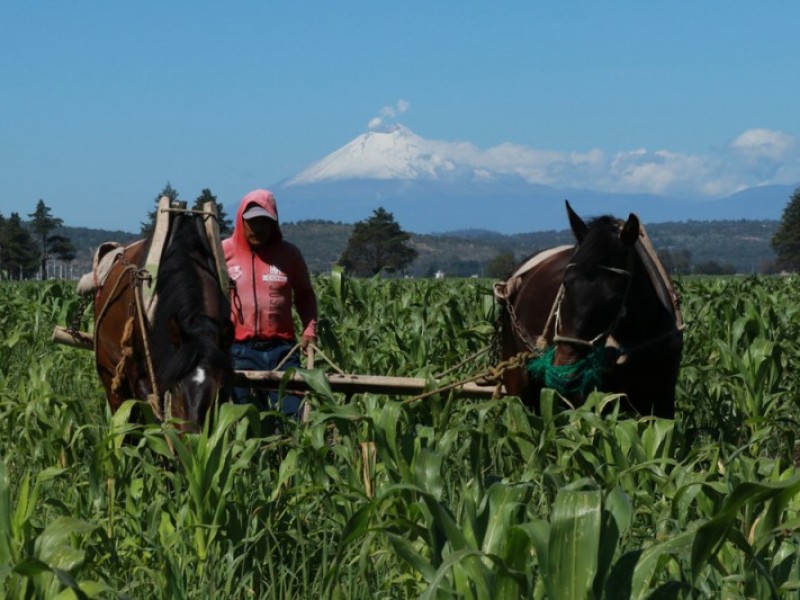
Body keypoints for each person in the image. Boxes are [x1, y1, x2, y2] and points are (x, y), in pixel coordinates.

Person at [223, 189, 317, 420]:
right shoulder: (222, 253)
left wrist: (310, 330)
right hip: (237, 351)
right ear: (241, 221)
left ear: (274, 223)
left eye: (265, 222)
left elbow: (305, 295)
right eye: (253, 221)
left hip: (282, 351)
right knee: (243, 421)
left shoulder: (289, 255)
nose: (259, 228)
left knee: (290, 419)